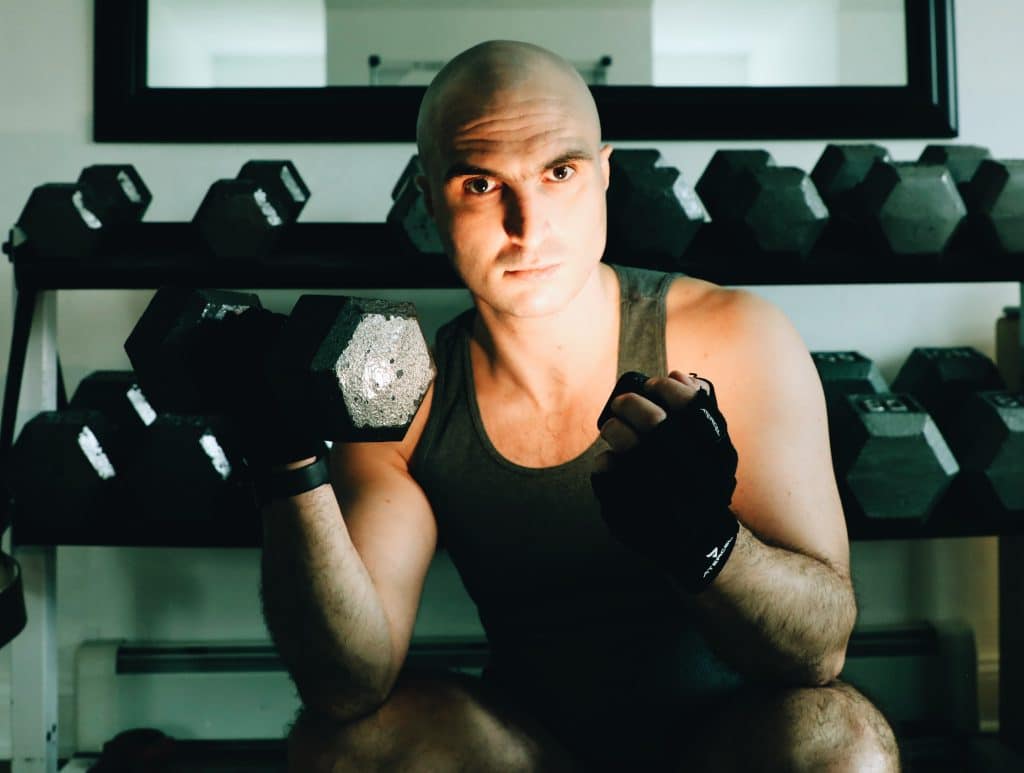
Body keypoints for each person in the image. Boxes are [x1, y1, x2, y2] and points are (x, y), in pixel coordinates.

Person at [260, 40, 902, 771]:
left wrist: (704, 540)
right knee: (334, 746)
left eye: (558, 172)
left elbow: (818, 648)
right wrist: (289, 470)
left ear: (604, 174)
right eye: (480, 184)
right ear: (427, 197)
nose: (526, 224)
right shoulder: (404, 393)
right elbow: (347, 685)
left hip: (728, 745)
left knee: (843, 740)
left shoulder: (734, 335)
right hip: (531, 751)